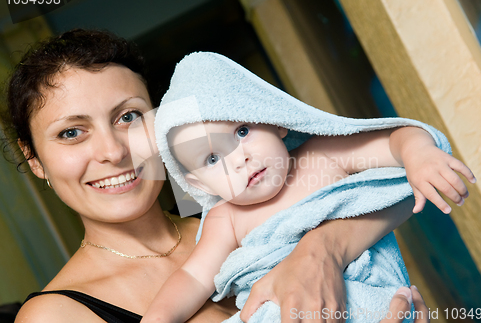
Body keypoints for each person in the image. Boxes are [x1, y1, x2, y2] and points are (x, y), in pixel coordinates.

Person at [2, 29, 430, 323]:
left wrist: (321, 249)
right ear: (35, 159)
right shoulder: (55, 315)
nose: (113, 151)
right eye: (71, 133)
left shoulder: (244, 212)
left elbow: (387, 189)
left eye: (129, 117)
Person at [143, 52, 475, 322]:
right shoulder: (224, 217)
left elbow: (393, 141)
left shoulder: (322, 156)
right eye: (213, 159)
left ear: (273, 120)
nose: (239, 160)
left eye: (242, 132)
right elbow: (193, 278)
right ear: (198, 183)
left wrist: (417, 152)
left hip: (364, 299)